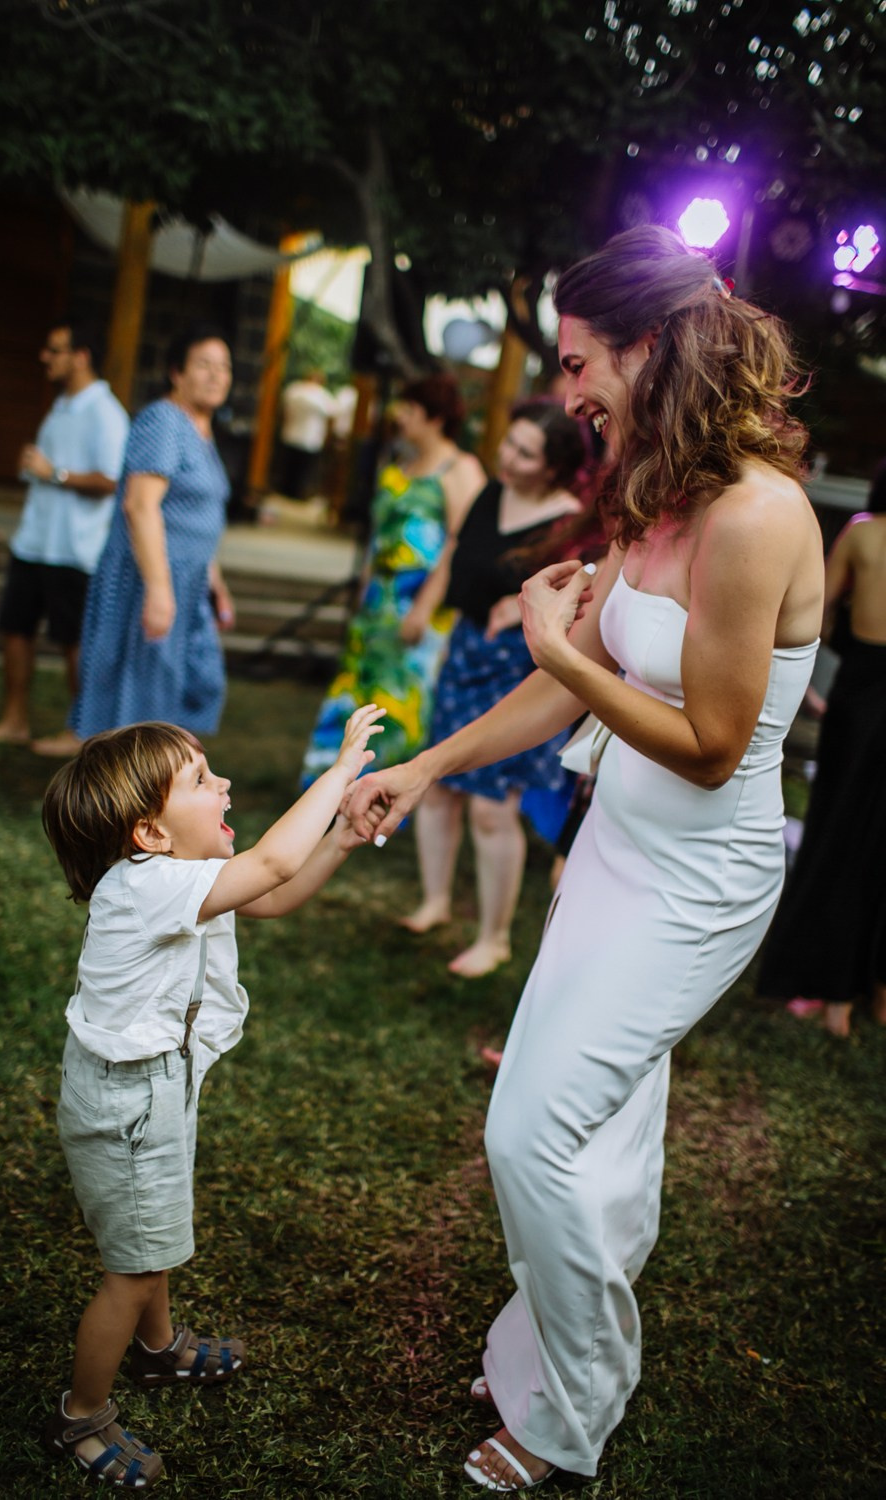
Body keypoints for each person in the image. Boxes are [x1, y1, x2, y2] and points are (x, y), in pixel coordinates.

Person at [349, 225, 824, 1490]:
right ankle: (545, 1349)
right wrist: (423, 766)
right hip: (616, 847)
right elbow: (569, 702)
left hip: (700, 881)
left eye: (576, 363)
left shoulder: (761, 516)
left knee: (529, 1131)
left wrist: (561, 650)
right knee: (601, 1127)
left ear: (651, 346)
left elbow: (713, 745)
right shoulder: (654, 491)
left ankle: (576, 1406)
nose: (566, 394)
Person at [41, 704, 385, 1489]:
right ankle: (82, 1413)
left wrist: (339, 838)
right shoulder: (143, 888)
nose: (224, 784)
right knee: (132, 1267)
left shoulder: (177, 881)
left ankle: (159, 1352)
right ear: (149, 835)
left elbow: (268, 896)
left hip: (155, 1092)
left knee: (154, 1236)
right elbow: (268, 869)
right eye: (201, 779)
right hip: (129, 1105)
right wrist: (338, 777)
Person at [399, 401, 596, 977]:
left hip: (521, 667)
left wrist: (522, 606)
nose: (507, 458)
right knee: (437, 785)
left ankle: (494, 938)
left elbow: (588, 585)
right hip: (465, 649)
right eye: (508, 443)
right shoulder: (490, 494)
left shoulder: (570, 519)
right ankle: (435, 901)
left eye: (525, 452)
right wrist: (426, 607)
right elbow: (458, 556)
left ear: (554, 467)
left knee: (492, 806)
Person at [42, 325, 237, 757]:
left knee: (188, 684)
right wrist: (159, 589)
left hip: (188, 580)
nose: (216, 376)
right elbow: (140, 505)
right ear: (176, 373)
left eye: (224, 367)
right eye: (203, 365)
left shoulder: (202, 431)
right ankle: (119, 783)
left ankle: (148, 771)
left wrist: (215, 581)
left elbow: (195, 516)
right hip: (149, 575)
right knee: (138, 686)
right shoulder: (164, 421)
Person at [301, 372, 485, 786]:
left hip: (420, 597)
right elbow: (377, 535)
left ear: (436, 418)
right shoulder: (396, 463)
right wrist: (365, 589)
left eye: (411, 409)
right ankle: (330, 786)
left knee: (401, 696)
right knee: (358, 689)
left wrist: (424, 607)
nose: (401, 416)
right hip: (377, 599)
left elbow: (460, 544)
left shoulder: (460, 469)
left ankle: (386, 788)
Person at [756, 461, 886, 1038]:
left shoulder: (862, 531)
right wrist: (803, 686)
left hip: (860, 692)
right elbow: (812, 609)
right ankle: (838, 987)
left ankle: (840, 988)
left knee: (843, 835)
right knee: (845, 833)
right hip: (860, 695)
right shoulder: (864, 530)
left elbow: (815, 612)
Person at [0, 321, 129, 751]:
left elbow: (115, 480)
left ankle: (84, 734)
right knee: (15, 629)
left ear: (82, 356)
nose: (45, 357)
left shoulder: (106, 412)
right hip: (34, 540)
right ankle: (14, 720)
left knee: (74, 643)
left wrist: (53, 472)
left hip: (75, 549)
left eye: (55, 350)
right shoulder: (61, 404)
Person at [278, 369, 339, 499]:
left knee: (289, 467)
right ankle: (299, 495)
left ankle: (286, 491)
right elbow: (332, 414)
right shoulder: (322, 395)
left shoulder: (294, 390)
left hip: (291, 434)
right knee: (304, 470)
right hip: (310, 439)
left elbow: (284, 410)